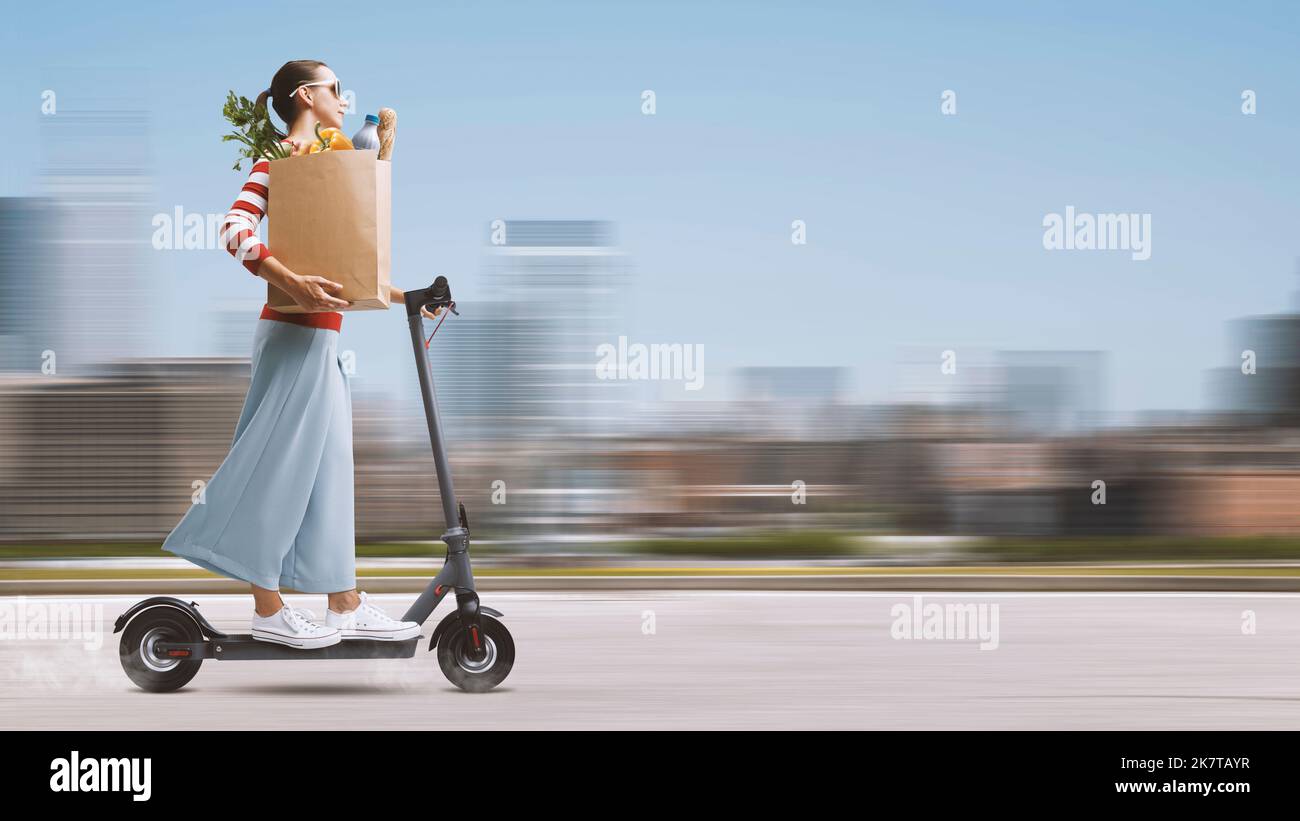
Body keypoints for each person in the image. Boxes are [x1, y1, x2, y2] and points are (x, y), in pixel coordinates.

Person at [161, 60, 439, 649]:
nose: (343, 98)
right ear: (306, 96)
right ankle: (267, 609)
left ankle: (344, 602)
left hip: (325, 341)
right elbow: (234, 229)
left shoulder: (330, 170)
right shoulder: (278, 163)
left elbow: (348, 264)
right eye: (335, 88)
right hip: (291, 338)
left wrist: (409, 296)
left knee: (331, 472)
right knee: (274, 471)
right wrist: (289, 279)